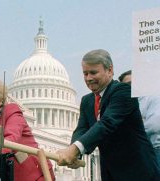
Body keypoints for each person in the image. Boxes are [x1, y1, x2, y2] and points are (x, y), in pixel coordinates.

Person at [56, 49, 159, 180]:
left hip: (138, 171)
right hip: (110, 172)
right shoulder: (87, 100)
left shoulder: (124, 91)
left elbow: (107, 123)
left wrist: (75, 150)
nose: (88, 78)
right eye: (85, 73)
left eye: (93, 72)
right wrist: (75, 153)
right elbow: (82, 129)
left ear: (110, 70)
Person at [0, 76, 55, 181]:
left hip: (34, 175)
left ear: (0, 98)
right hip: (9, 175)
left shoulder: (11, 111)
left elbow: (11, 137)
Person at [119, 70, 160, 173]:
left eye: (134, 83)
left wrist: (129, 130)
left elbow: (154, 125)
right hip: (134, 154)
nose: (132, 87)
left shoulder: (153, 98)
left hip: (155, 151)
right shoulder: (122, 105)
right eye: (127, 85)